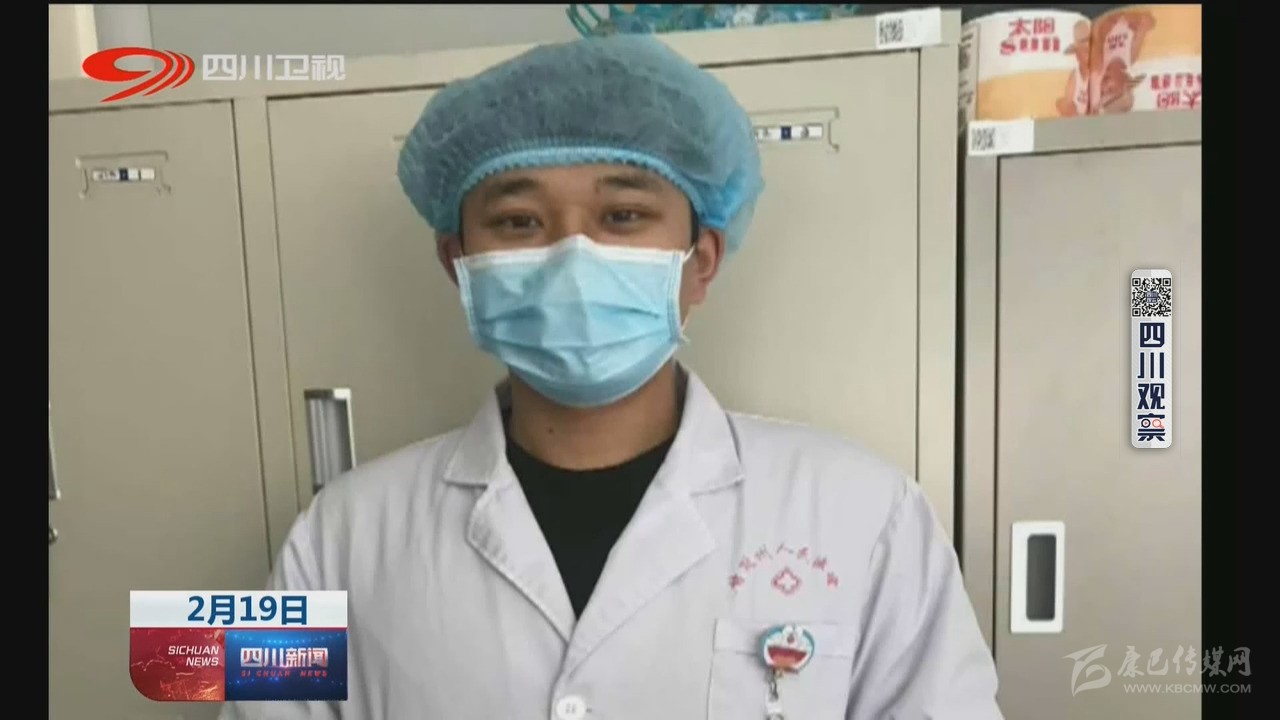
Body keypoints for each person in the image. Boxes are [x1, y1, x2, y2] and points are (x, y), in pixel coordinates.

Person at [220, 33, 1002, 720]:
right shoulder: (333, 537)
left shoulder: (867, 515)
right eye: (518, 221)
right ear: (460, 265)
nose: (572, 256)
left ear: (699, 263)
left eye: (623, 216)